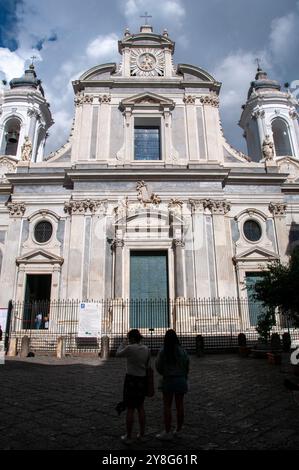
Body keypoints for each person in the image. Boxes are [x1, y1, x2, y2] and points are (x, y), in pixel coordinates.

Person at [116, 329, 150, 445]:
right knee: (140, 407)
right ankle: (142, 434)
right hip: (142, 380)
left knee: (130, 408)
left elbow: (118, 353)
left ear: (132, 338)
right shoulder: (146, 349)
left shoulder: (130, 348)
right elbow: (148, 366)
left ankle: (129, 436)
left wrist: (123, 343)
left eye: (129, 338)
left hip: (131, 380)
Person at [155, 329, 189, 441]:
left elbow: (158, 366)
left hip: (168, 380)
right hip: (180, 380)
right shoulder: (183, 351)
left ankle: (167, 431)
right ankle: (179, 430)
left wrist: (165, 372)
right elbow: (187, 365)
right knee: (180, 406)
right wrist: (183, 375)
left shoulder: (163, 351)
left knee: (167, 407)